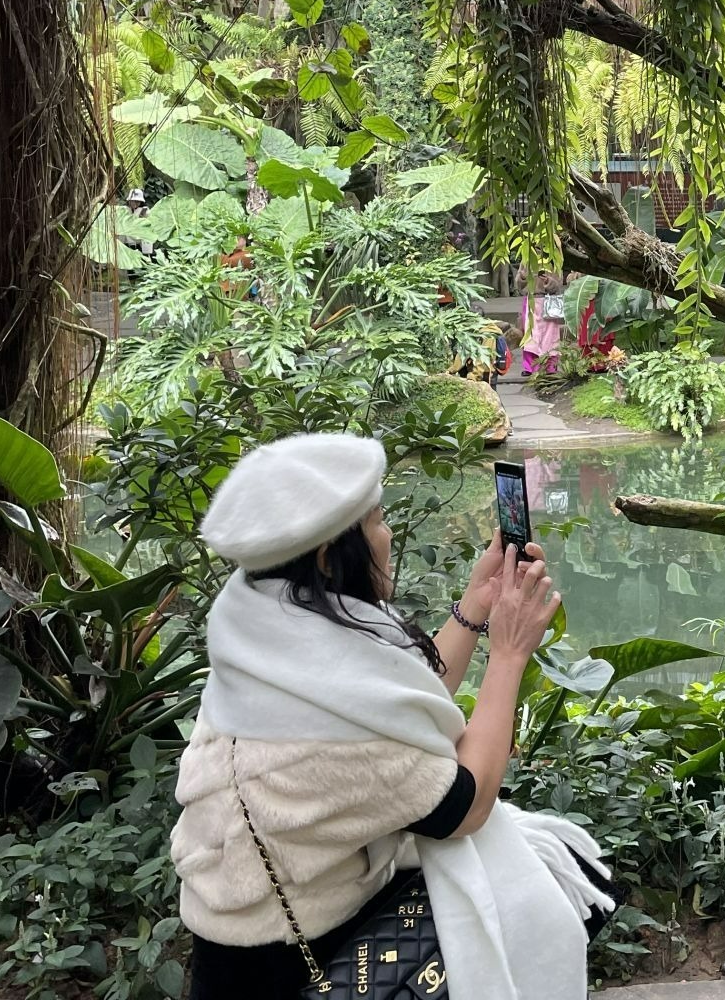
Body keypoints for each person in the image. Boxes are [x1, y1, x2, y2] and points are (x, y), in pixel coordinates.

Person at [172, 434, 616, 999]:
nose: (387, 535)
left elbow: (398, 707)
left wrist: (476, 603)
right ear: (330, 557)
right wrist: (508, 653)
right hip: (296, 968)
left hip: (234, 952)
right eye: (378, 521)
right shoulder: (333, 723)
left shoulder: (263, 630)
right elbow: (465, 805)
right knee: (547, 875)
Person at [521, 271, 565, 376]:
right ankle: (530, 367)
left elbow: (558, 285)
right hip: (531, 301)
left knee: (551, 336)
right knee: (530, 335)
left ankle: (550, 366)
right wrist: (523, 277)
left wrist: (548, 281)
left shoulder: (553, 263)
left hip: (548, 301)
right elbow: (519, 285)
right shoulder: (527, 261)